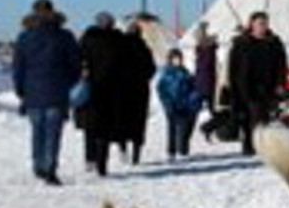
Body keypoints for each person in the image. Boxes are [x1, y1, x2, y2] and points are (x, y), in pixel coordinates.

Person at [12, 0, 83, 184]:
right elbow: (75, 65)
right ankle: (50, 168)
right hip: (57, 92)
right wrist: (68, 82)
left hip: (33, 93)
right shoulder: (65, 36)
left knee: (38, 132)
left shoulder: (25, 37)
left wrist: (21, 91)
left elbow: (18, 67)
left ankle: (39, 166)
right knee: (53, 134)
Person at [225, 10, 289, 155]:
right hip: (244, 86)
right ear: (252, 24)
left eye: (265, 23)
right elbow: (233, 66)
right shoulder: (241, 43)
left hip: (267, 86)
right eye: (260, 23)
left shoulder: (274, 42)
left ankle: (258, 146)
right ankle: (249, 145)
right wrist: (231, 85)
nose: (263, 26)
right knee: (246, 117)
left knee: (261, 117)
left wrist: (280, 83)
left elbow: (282, 64)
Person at [76, 11, 122, 176]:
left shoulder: (87, 39)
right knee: (105, 129)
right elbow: (123, 66)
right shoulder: (117, 40)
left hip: (91, 89)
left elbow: (77, 60)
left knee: (90, 127)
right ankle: (102, 164)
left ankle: (90, 158)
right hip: (110, 91)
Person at [114, 17, 157, 166]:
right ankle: (136, 155)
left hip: (122, 90)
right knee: (138, 123)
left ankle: (123, 148)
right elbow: (152, 70)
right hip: (139, 90)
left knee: (122, 121)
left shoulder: (119, 48)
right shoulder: (144, 48)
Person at [156, 48, 202, 160]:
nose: (178, 61)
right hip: (171, 106)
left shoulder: (185, 72)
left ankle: (182, 149)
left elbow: (193, 88)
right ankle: (171, 151)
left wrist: (193, 99)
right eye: (175, 59)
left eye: (180, 59)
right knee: (171, 129)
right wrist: (166, 103)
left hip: (184, 105)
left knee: (184, 128)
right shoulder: (166, 73)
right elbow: (161, 90)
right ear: (170, 60)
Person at [191, 20, 220, 113]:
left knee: (212, 109)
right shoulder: (202, 50)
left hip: (208, 84)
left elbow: (206, 65)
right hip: (203, 83)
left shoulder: (207, 50)